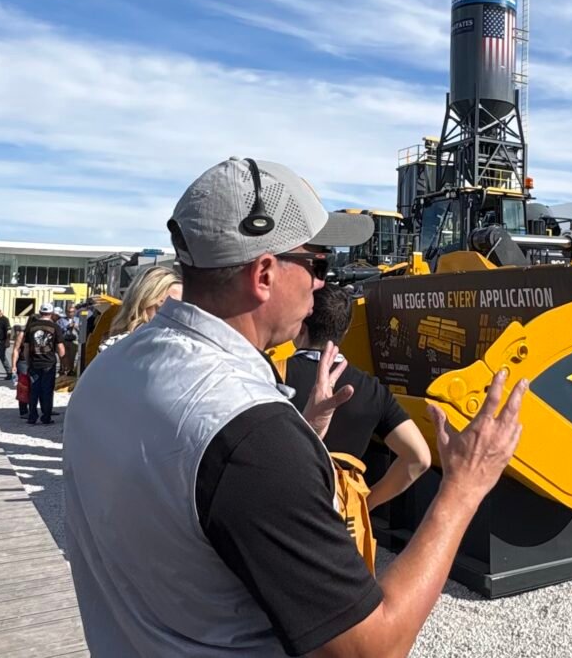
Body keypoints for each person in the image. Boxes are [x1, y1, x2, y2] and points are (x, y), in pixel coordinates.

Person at [63, 157, 528, 657]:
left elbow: (198, 507)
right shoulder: (252, 436)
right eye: (318, 265)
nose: (322, 284)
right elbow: (371, 649)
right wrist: (464, 485)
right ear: (264, 273)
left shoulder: (107, 374)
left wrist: (301, 433)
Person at [285, 284, 430, 511]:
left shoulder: (275, 375)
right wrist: (366, 503)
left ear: (301, 324)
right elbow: (419, 458)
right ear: (345, 331)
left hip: (288, 513)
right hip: (344, 520)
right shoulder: (372, 389)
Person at [94, 265, 182, 356]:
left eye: (183, 307)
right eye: (168, 306)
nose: (178, 314)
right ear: (143, 302)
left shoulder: (186, 347)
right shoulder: (116, 348)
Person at [13, 304, 63, 425]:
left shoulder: (31, 327)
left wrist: (28, 361)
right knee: (47, 390)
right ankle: (46, 417)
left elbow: (26, 347)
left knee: (34, 389)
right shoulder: (55, 327)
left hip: (34, 362)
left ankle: (32, 416)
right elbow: (61, 348)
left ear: (40, 312)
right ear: (51, 313)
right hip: (49, 362)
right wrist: (63, 362)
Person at [0, 307, 12, 381]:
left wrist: (7, 340)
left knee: (3, 357)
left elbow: (8, 330)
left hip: (1, 341)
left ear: (0, 311)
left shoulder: (4, 319)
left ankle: (9, 373)